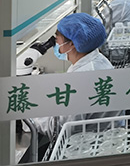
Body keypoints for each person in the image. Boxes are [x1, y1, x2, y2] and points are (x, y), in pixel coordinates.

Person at [33, 13, 123, 142]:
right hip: (107, 137)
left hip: (90, 145)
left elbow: (60, 130)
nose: (55, 43)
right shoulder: (98, 59)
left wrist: (31, 116)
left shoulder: (81, 78)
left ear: (72, 44)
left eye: (57, 39)